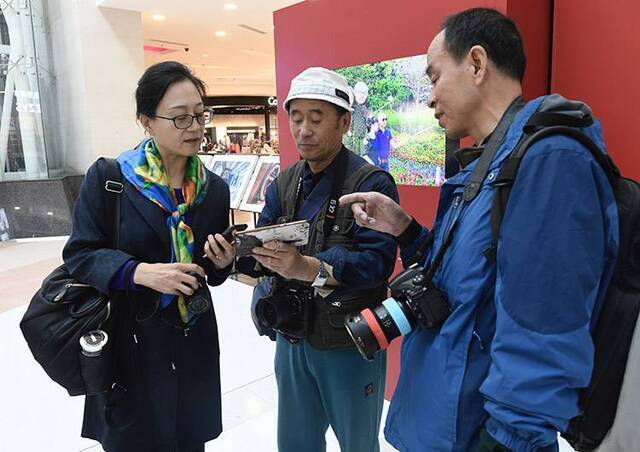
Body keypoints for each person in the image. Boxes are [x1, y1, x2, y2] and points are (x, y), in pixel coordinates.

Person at [340, 8, 618, 452]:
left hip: (476, 434)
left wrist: (509, 441)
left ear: (475, 63)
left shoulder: (550, 162)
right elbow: (460, 284)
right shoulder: (488, 166)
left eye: (434, 77)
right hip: (441, 418)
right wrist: (406, 230)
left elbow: (546, 327)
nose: (429, 97)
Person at [63, 61, 236, 452]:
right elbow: (80, 254)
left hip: (192, 343)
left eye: (199, 114)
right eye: (179, 118)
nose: (194, 126)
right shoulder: (110, 180)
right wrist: (140, 272)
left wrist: (222, 263)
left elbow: (208, 273)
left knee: (190, 439)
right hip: (130, 345)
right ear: (146, 120)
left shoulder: (215, 189)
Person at [237, 67, 399, 452]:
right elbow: (264, 240)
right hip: (291, 336)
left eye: (316, 118)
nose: (304, 130)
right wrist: (241, 254)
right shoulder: (285, 181)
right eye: (296, 118)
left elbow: (376, 265)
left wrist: (307, 268)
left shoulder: (371, 183)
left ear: (344, 122)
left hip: (349, 341)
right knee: (295, 443)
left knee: (358, 444)